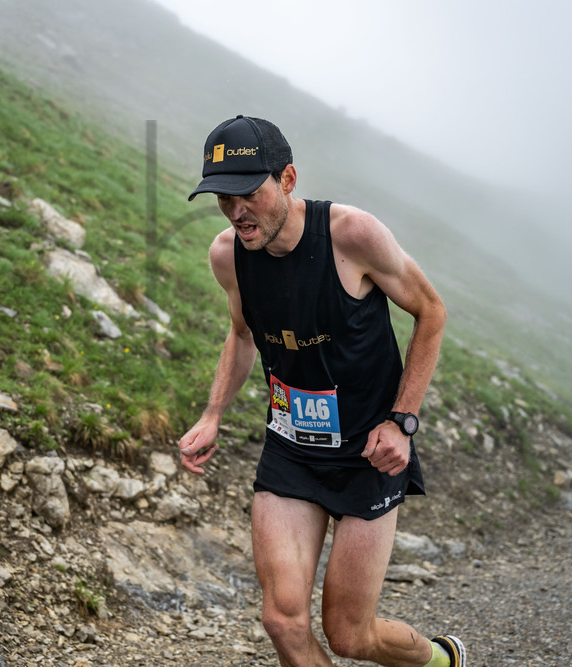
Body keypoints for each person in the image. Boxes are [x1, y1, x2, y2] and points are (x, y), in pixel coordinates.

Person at [178, 115, 463, 667]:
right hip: (291, 446)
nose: (236, 212)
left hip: (368, 452)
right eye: (222, 198)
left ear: (286, 179)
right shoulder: (227, 256)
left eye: (248, 194)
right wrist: (214, 413)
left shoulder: (352, 235)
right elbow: (242, 334)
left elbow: (431, 311)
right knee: (282, 620)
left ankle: (441, 660)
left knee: (349, 635)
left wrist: (402, 421)